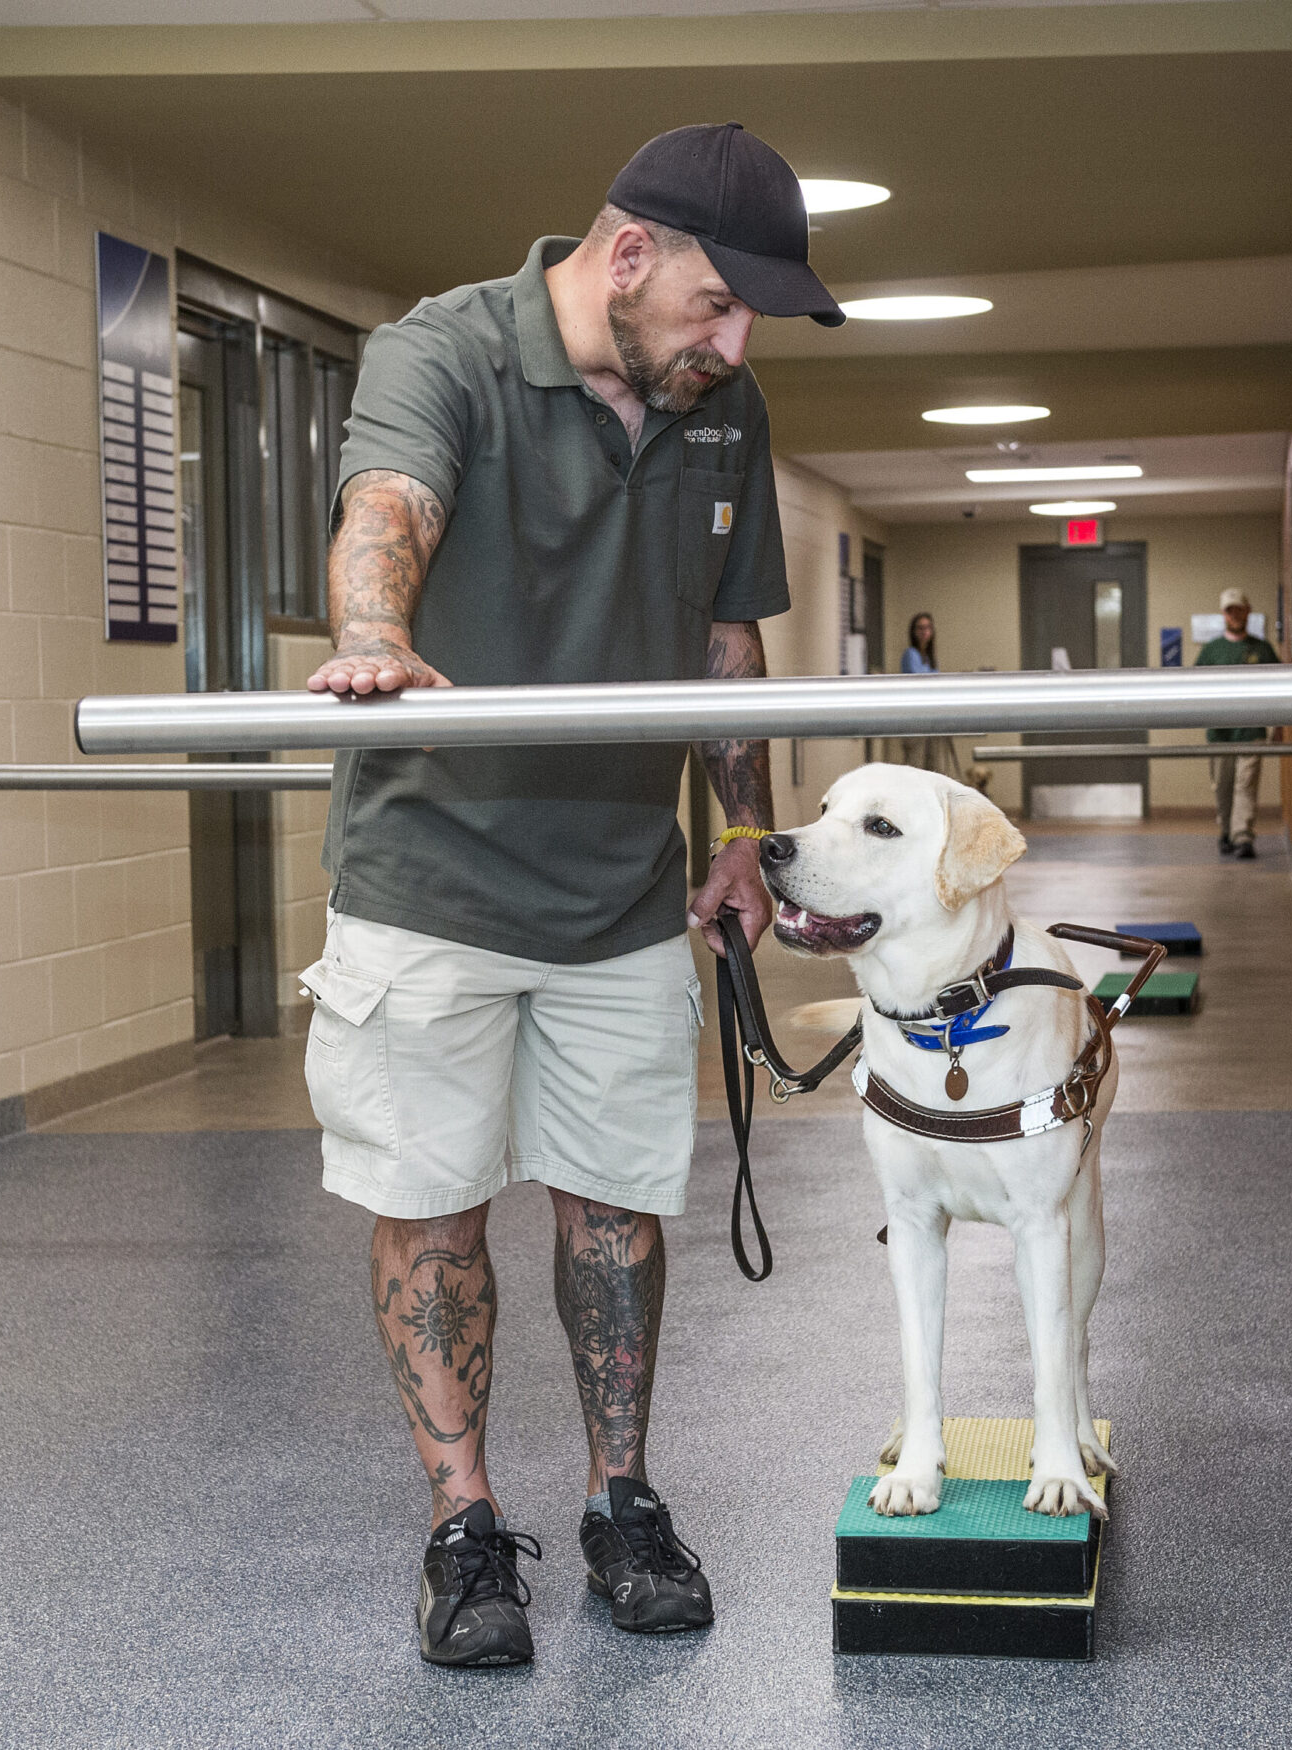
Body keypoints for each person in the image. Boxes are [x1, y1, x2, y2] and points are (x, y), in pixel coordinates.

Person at [298, 123, 843, 1670]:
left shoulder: (723, 415)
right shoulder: (447, 351)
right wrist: (374, 634)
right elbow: (386, 505)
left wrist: (745, 833)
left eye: (748, 325)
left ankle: (622, 1500)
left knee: (617, 1205)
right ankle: (464, 1527)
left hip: (620, 882)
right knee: (434, 1207)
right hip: (431, 879)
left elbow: (728, 648)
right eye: (716, 308)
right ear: (627, 258)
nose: (733, 346)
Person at [1193, 586, 1281, 858]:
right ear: (1223, 615)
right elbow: (1194, 687)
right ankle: (1226, 832)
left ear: (1248, 612)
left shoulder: (1262, 649)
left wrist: (1279, 724)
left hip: (1252, 728)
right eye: (1230, 611)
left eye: (1239, 610)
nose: (1235, 615)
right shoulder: (1211, 652)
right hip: (1220, 733)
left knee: (1246, 784)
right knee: (1223, 785)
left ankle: (1243, 835)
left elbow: (1281, 687)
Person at [896, 612, 960, 773]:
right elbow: (920, 683)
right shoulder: (910, 654)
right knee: (915, 765)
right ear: (913, 631)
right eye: (920, 628)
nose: (924, 632)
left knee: (935, 767)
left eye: (928, 628)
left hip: (932, 716)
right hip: (915, 716)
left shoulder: (931, 658)